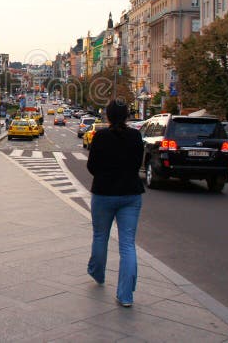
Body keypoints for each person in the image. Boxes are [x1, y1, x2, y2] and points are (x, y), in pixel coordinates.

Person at [85, 99, 144, 307]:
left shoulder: (101, 136)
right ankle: (125, 295)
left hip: (104, 193)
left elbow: (91, 166)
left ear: (107, 116)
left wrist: (104, 175)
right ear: (127, 116)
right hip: (131, 193)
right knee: (128, 244)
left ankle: (98, 273)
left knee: (101, 236)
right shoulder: (136, 136)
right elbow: (139, 163)